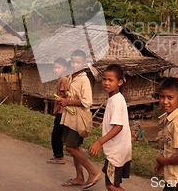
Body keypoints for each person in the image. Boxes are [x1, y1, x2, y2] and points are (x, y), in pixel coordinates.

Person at [58, 50, 101, 190]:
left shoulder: (84, 79)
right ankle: (79, 177)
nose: (75, 64)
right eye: (73, 61)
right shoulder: (71, 77)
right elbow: (72, 97)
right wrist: (63, 100)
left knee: (70, 147)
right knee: (75, 147)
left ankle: (93, 172)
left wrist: (68, 102)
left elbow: (87, 101)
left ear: (84, 63)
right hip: (69, 117)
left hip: (78, 119)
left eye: (78, 62)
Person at [90, 64, 132, 191]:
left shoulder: (116, 101)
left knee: (111, 186)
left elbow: (118, 126)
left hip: (116, 152)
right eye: (104, 79)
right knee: (114, 184)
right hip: (119, 149)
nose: (106, 83)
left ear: (119, 82)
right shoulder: (115, 98)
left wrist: (99, 142)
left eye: (110, 80)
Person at [47, 57, 69, 164]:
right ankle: (58, 155)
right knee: (58, 134)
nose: (56, 70)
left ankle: (59, 156)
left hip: (62, 111)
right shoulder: (61, 79)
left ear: (64, 68)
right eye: (55, 68)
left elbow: (64, 94)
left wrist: (60, 100)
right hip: (60, 110)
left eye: (58, 68)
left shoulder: (63, 80)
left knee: (56, 134)